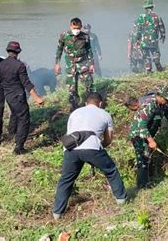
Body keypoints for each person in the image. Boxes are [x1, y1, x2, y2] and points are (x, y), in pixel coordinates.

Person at [52, 92, 127, 220]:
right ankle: (122, 201)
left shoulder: (75, 113)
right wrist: (99, 149)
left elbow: (70, 133)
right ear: (100, 104)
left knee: (66, 179)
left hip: (71, 148)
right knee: (111, 171)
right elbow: (108, 140)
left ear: (86, 103)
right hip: (92, 147)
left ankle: (57, 214)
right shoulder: (105, 114)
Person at [0, 41, 44, 155]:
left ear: (8, 51)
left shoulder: (1, 64)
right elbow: (26, 83)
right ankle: (19, 147)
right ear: (18, 52)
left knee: (14, 113)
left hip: (8, 95)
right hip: (18, 95)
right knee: (24, 118)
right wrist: (37, 98)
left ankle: (11, 133)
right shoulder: (20, 65)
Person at [126, 89, 168, 189]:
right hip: (138, 135)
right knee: (142, 159)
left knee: (147, 157)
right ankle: (142, 187)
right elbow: (142, 126)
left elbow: (166, 114)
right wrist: (151, 140)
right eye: (165, 99)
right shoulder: (149, 105)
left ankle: (148, 182)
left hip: (144, 135)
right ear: (160, 96)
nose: (166, 102)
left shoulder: (156, 103)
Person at [54, 17, 95, 111]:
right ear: (71, 26)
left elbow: (89, 50)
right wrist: (57, 63)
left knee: (88, 83)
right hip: (70, 64)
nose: (76, 30)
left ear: (81, 27)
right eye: (74, 28)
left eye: (78, 28)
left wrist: (92, 64)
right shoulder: (64, 35)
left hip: (82, 63)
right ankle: (74, 105)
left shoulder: (85, 36)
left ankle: (91, 103)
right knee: (72, 86)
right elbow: (59, 49)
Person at [134, 0, 166, 73]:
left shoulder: (141, 17)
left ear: (145, 8)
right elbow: (162, 27)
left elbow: (138, 29)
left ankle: (148, 69)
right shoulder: (157, 16)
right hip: (154, 39)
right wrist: (163, 36)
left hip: (144, 40)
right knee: (155, 52)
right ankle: (157, 61)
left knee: (146, 55)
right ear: (152, 7)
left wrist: (137, 40)